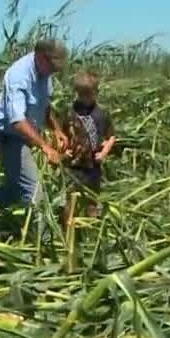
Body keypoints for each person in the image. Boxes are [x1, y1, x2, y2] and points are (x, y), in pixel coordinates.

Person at [0, 39, 69, 241]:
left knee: (16, 187)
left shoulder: (44, 73)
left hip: (23, 134)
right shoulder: (18, 76)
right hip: (8, 136)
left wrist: (57, 130)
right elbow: (17, 122)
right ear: (41, 57)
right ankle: (43, 241)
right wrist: (46, 147)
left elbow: (44, 105)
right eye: (52, 66)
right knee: (34, 191)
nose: (54, 72)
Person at [60, 71, 117, 231]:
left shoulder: (102, 113)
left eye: (89, 94)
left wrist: (104, 152)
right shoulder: (69, 112)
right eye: (82, 95)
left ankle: (90, 233)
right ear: (77, 93)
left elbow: (111, 136)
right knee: (69, 201)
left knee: (92, 201)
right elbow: (61, 134)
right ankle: (68, 234)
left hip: (93, 166)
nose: (86, 98)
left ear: (96, 92)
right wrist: (64, 151)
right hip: (73, 166)